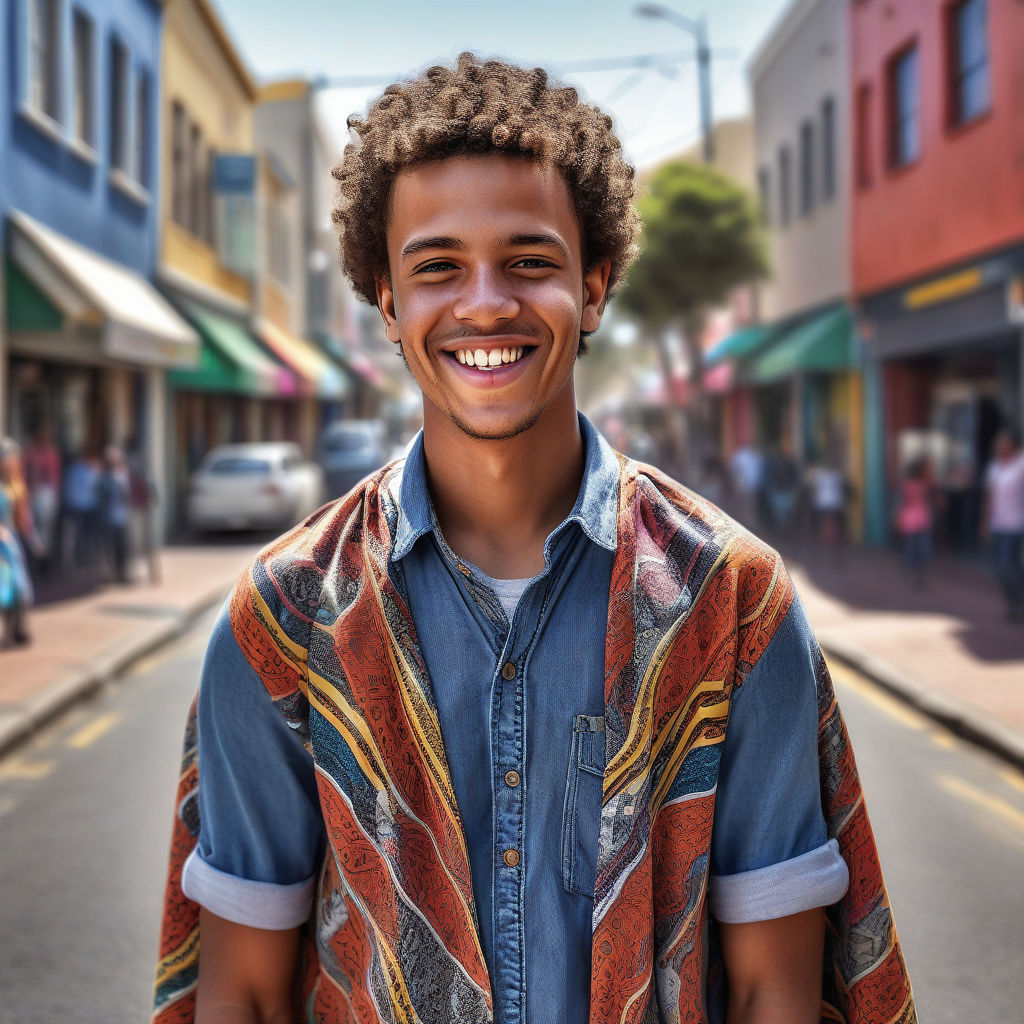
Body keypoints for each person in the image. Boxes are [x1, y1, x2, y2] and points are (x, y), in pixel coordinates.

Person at [154, 54, 914, 1024]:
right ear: (386, 301)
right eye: (436, 267)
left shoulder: (731, 603)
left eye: (529, 260)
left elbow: (775, 990)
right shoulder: (284, 621)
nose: (483, 303)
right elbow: (245, 997)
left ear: (592, 288)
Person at [981, 429, 1024, 621]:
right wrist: (984, 521)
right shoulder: (994, 467)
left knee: (1007, 566)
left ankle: (1017, 603)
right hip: (998, 524)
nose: (999, 446)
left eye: (1003, 443)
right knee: (1002, 568)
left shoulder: (1021, 465)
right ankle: (1013, 602)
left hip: (1015, 525)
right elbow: (990, 496)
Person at [0, 440, 39, 646]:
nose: (12, 461)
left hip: (13, 543)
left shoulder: (16, 485)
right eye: (8, 457)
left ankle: (20, 629)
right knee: (5, 588)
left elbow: (24, 517)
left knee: (20, 587)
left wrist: (34, 538)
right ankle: (8, 631)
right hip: (2, 545)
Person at [22, 426, 61, 576]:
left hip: (43, 494)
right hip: (38, 494)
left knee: (41, 531)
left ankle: (43, 565)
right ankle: (40, 563)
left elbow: (50, 476)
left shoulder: (47, 453)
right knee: (36, 531)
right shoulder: (33, 453)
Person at [896, 458, 935, 589]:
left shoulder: (925, 485)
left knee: (919, 551)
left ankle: (918, 576)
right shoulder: (909, 485)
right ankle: (916, 575)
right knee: (916, 551)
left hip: (919, 521)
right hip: (915, 521)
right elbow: (903, 503)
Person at [96, 445, 131, 584]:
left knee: (122, 549)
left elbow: (126, 496)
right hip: (107, 519)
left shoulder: (122, 477)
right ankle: (110, 574)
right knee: (108, 548)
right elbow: (100, 497)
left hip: (121, 518)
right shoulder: (103, 478)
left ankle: (122, 574)